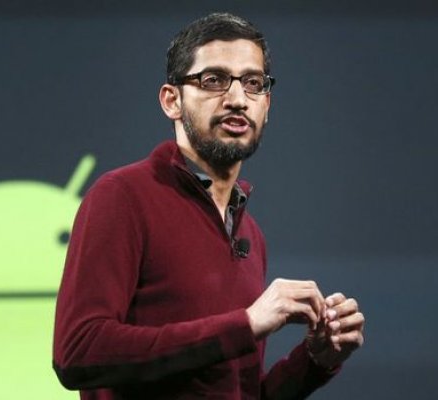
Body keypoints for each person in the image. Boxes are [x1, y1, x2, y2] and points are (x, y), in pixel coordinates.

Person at [53, 12, 364, 399]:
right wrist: (245, 325)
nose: (238, 99)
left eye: (253, 83)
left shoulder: (250, 234)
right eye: (213, 80)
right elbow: (78, 351)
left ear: (267, 103)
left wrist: (315, 361)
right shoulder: (122, 197)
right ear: (172, 100)